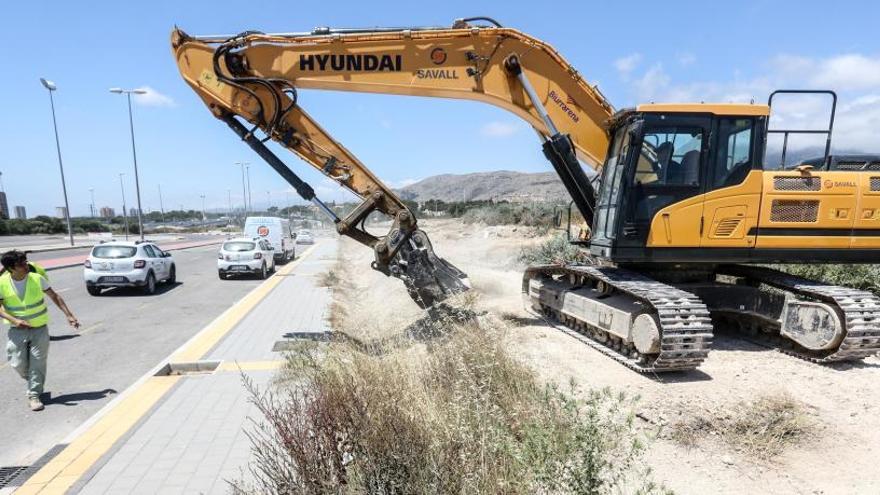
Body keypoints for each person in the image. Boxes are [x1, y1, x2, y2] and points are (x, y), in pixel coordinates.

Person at [0, 250, 79, 411]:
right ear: (10, 268)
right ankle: (34, 380)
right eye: (21, 264)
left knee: (38, 362)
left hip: (40, 328)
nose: (26, 265)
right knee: (17, 362)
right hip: (16, 329)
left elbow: (54, 296)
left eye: (26, 261)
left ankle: (34, 395)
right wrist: (15, 320)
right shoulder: (1, 283)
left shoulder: (37, 278)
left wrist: (69, 315)